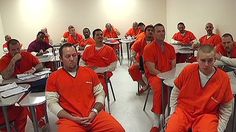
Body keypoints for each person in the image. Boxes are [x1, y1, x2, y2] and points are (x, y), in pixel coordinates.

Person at [46, 43, 124, 132]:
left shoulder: (89, 72)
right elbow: (52, 103)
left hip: (94, 115)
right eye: (67, 56)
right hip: (70, 119)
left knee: (118, 130)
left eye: (74, 55)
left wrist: (94, 112)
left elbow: (100, 93)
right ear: (60, 59)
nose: (72, 59)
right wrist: (72, 118)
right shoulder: (53, 77)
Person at [166, 45, 234, 132]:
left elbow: (227, 107)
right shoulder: (188, 70)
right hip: (184, 111)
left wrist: (219, 129)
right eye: (203, 60)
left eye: (210, 60)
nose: (206, 64)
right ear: (197, 59)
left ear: (215, 60)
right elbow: (175, 92)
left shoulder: (223, 78)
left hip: (207, 115)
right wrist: (172, 113)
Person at [0, 39, 45, 131]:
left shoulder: (26, 55)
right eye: (13, 50)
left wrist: (33, 69)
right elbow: (5, 75)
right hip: (15, 88)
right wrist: (13, 61)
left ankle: (39, 119)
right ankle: (37, 120)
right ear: (8, 50)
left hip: (30, 84)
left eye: (18, 49)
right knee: (24, 104)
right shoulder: (4, 60)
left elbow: (40, 65)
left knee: (34, 99)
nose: (16, 52)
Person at [143, 23, 176, 132]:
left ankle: (171, 115)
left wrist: (170, 77)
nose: (162, 33)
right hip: (155, 76)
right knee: (159, 87)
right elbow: (152, 69)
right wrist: (164, 77)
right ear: (154, 34)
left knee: (178, 87)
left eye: (163, 31)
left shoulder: (170, 48)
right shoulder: (148, 48)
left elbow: (173, 66)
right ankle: (156, 120)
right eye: (159, 31)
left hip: (169, 75)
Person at [80, 29, 118, 96]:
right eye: (97, 35)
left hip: (103, 75)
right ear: (93, 37)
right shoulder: (88, 49)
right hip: (88, 74)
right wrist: (87, 68)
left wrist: (98, 70)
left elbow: (113, 66)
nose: (100, 36)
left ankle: (100, 103)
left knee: (100, 88)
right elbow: (81, 62)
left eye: (101, 34)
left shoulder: (109, 50)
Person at [128, 25, 154, 95]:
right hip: (142, 63)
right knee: (132, 69)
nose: (150, 32)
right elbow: (132, 53)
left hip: (155, 63)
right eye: (148, 30)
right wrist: (135, 61)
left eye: (152, 30)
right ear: (145, 32)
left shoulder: (157, 41)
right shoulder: (140, 41)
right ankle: (144, 85)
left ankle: (156, 85)